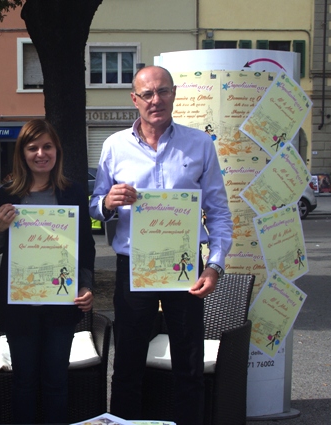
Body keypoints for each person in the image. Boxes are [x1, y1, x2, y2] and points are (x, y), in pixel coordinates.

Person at [89, 66, 232, 425]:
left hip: (184, 267)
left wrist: (214, 265)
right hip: (133, 267)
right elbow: (94, 205)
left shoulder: (200, 144)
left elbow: (218, 212)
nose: (156, 100)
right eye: (148, 94)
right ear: (134, 99)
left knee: (189, 362)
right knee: (127, 363)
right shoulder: (114, 146)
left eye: (163, 91)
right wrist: (107, 202)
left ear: (173, 94)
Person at [0, 119, 95, 424]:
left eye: (47, 146)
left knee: (56, 382)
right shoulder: (8, 194)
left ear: (57, 150)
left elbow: (86, 246)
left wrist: (86, 286)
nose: (40, 154)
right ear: (22, 153)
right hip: (19, 307)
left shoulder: (73, 192)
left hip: (61, 305)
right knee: (24, 382)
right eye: (32, 148)